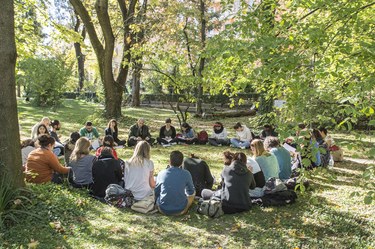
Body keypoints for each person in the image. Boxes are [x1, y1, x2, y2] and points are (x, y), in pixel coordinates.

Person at [155, 151, 195, 215]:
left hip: (162, 209)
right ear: (182, 162)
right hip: (180, 210)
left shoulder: (161, 173)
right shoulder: (186, 173)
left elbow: (156, 192)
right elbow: (191, 192)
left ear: (169, 161)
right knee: (193, 194)